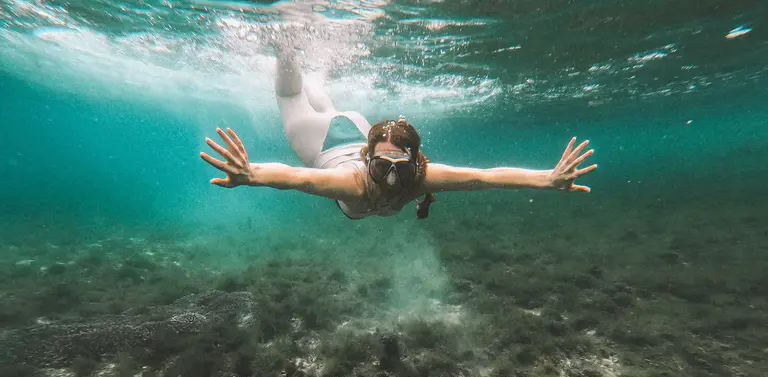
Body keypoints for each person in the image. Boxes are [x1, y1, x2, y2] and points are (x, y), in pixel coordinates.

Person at [200, 52, 597, 220]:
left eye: (400, 169)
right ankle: (287, 46)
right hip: (321, 140)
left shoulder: (421, 173)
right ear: (367, 159)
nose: (391, 179)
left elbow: (487, 177)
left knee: (321, 99)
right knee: (291, 97)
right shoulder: (351, 181)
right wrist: (252, 174)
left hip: (356, 126)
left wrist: (548, 179)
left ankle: (312, 68)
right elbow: (299, 177)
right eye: (382, 167)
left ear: (416, 161)